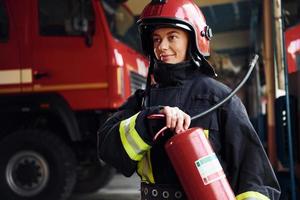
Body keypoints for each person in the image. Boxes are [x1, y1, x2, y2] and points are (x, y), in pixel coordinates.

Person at [97, 0, 281, 199]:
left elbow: (255, 178)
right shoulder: (143, 101)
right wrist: (148, 122)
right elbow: (107, 148)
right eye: (157, 39)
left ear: (193, 40)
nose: (162, 47)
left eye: (172, 37)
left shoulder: (221, 99)